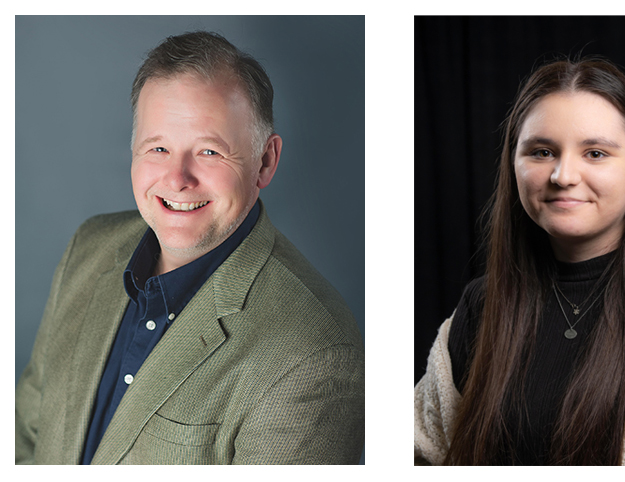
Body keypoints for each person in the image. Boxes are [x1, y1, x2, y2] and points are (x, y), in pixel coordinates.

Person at [16, 31, 364, 465]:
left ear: (265, 161)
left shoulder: (314, 353)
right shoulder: (87, 250)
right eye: (158, 147)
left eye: (209, 151)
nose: (178, 178)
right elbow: (24, 438)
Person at [414, 58, 625, 465]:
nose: (563, 175)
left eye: (595, 153)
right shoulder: (482, 303)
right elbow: (420, 450)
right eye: (542, 151)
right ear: (513, 162)